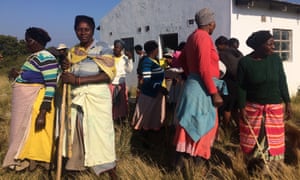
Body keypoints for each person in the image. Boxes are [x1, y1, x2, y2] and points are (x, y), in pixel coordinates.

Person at [60, 15, 117, 179]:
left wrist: (77, 79)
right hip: (77, 99)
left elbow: (107, 75)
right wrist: (66, 67)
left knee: (102, 135)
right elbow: (66, 75)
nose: (83, 32)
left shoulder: (103, 48)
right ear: (75, 30)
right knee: (78, 132)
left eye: (86, 29)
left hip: (97, 99)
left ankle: (110, 170)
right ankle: (76, 168)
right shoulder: (73, 51)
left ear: (92, 30)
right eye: (79, 29)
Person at [173, 8, 224, 168]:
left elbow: (181, 61)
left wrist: (190, 76)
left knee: (190, 124)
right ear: (210, 23)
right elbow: (204, 68)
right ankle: (198, 164)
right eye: (214, 21)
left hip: (194, 86)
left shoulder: (192, 37)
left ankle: (182, 163)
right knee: (204, 125)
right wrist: (214, 92)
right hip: (202, 89)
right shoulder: (204, 37)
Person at [2, 27, 59, 171]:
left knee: (30, 133)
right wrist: (18, 74)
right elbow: (32, 75)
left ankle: (30, 163)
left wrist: (42, 112)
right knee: (21, 132)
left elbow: (51, 85)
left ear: (37, 41)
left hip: (35, 103)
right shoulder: (35, 56)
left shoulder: (47, 58)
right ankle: (20, 162)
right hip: (24, 103)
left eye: (28, 41)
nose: (26, 44)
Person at [237, 30, 292, 172]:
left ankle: (274, 169)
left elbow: (282, 81)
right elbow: (241, 87)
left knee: (273, 140)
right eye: (270, 44)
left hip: (274, 109)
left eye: (274, 43)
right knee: (256, 139)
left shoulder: (275, 60)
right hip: (253, 110)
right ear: (259, 46)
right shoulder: (245, 63)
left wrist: (288, 102)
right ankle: (255, 169)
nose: (273, 47)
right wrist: (242, 108)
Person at [131, 40, 167, 145]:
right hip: (149, 95)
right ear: (154, 50)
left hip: (156, 94)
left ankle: (151, 141)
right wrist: (159, 87)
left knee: (153, 118)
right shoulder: (147, 61)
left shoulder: (154, 60)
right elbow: (147, 79)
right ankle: (144, 141)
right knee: (146, 118)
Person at [112, 39, 133, 122]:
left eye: (118, 47)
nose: (116, 49)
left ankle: (121, 119)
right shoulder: (110, 58)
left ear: (122, 49)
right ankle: (112, 119)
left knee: (122, 103)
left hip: (121, 84)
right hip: (111, 84)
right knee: (111, 103)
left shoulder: (125, 58)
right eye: (115, 47)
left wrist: (130, 59)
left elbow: (129, 70)